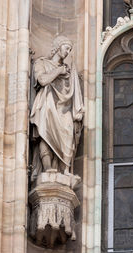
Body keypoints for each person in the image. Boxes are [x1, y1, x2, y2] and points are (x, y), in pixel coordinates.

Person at [30, 36, 84, 178]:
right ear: (58, 47)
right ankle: (47, 169)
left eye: (70, 49)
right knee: (46, 134)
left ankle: (65, 170)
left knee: (68, 134)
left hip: (64, 107)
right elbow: (42, 80)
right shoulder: (42, 63)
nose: (68, 52)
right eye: (66, 48)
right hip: (48, 104)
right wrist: (59, 71)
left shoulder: (68, 70)